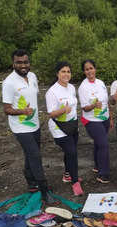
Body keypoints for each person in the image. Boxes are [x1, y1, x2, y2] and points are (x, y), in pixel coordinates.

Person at [2, 49, 57, 205]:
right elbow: (6, 109)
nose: (23, 65)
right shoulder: (9, 83)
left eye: (25, 62)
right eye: (19, 62)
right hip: (20, 127)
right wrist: (22, 111)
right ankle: (44, 189)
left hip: (34, 124)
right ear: (13, 63)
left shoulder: (33, 77)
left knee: (31, 153)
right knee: (35, 156)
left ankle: (31, 181)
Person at [45, 61, 84, 196]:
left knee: (70, 152)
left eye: (68, 71)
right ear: (57, 74)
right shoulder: (52, 92)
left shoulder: (72, 88)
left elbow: (72, 106)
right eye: (63, 71)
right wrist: (63, 110)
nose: (66, 74)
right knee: (72, 153)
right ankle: (75, 182)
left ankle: (67, 175)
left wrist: (71, 114)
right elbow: (50, 113)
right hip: (59, 127)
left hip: (72, 124)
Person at [78, 59, 112, 184]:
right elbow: (84, 108)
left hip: (105, 118)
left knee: (99, 144)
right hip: (91, 120)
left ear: (95, 69)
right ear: (84, 71)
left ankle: (97, 166)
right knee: (103, 144)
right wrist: (93, 106)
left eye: (91, 68)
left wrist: (110, 118)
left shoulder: (101, 83)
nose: (89, 71)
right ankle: (103, 174)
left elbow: (106, 102)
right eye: (87, 69)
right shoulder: (83, 87)